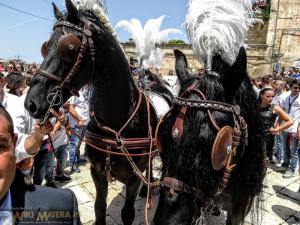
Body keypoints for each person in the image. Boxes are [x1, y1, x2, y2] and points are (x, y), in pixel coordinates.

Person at [0, 104, 82, 225]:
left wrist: (51, 128)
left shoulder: (61, 206)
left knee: (48, 165)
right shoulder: (29, 105)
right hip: (44, 144)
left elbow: (61, 116)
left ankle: (49, 181)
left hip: (51, 142)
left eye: (0, 146)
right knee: (39, 170)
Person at [258, 88, 293, 162]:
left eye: (272, 96)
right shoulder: (254, 106)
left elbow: (290, 121)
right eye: (268, 96)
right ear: (261, 96)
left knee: (262, 161)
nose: (270, 98)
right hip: (253, 137)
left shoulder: (275, 108)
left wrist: (277, 129)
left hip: (266, 139)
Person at [65, 85, 90, 173]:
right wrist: (80, 119)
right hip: (77, 124)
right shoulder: (74, 92)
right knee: (74, 144)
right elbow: (69, 108)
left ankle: (78, 159)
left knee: (78, 143)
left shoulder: (83, 91)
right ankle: (72, 164)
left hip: (84, 123)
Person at [280, 79, 300, 178]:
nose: (297, 89)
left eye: (299, 88)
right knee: (285, 147)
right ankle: (285, 164)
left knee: (294, 150)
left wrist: (299, 129)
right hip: (285, 126)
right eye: (295, 87)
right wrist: (279, 125)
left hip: (295, 127)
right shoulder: (285, 97)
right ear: (290, 87)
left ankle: (292, 168)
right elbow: (282, 111)